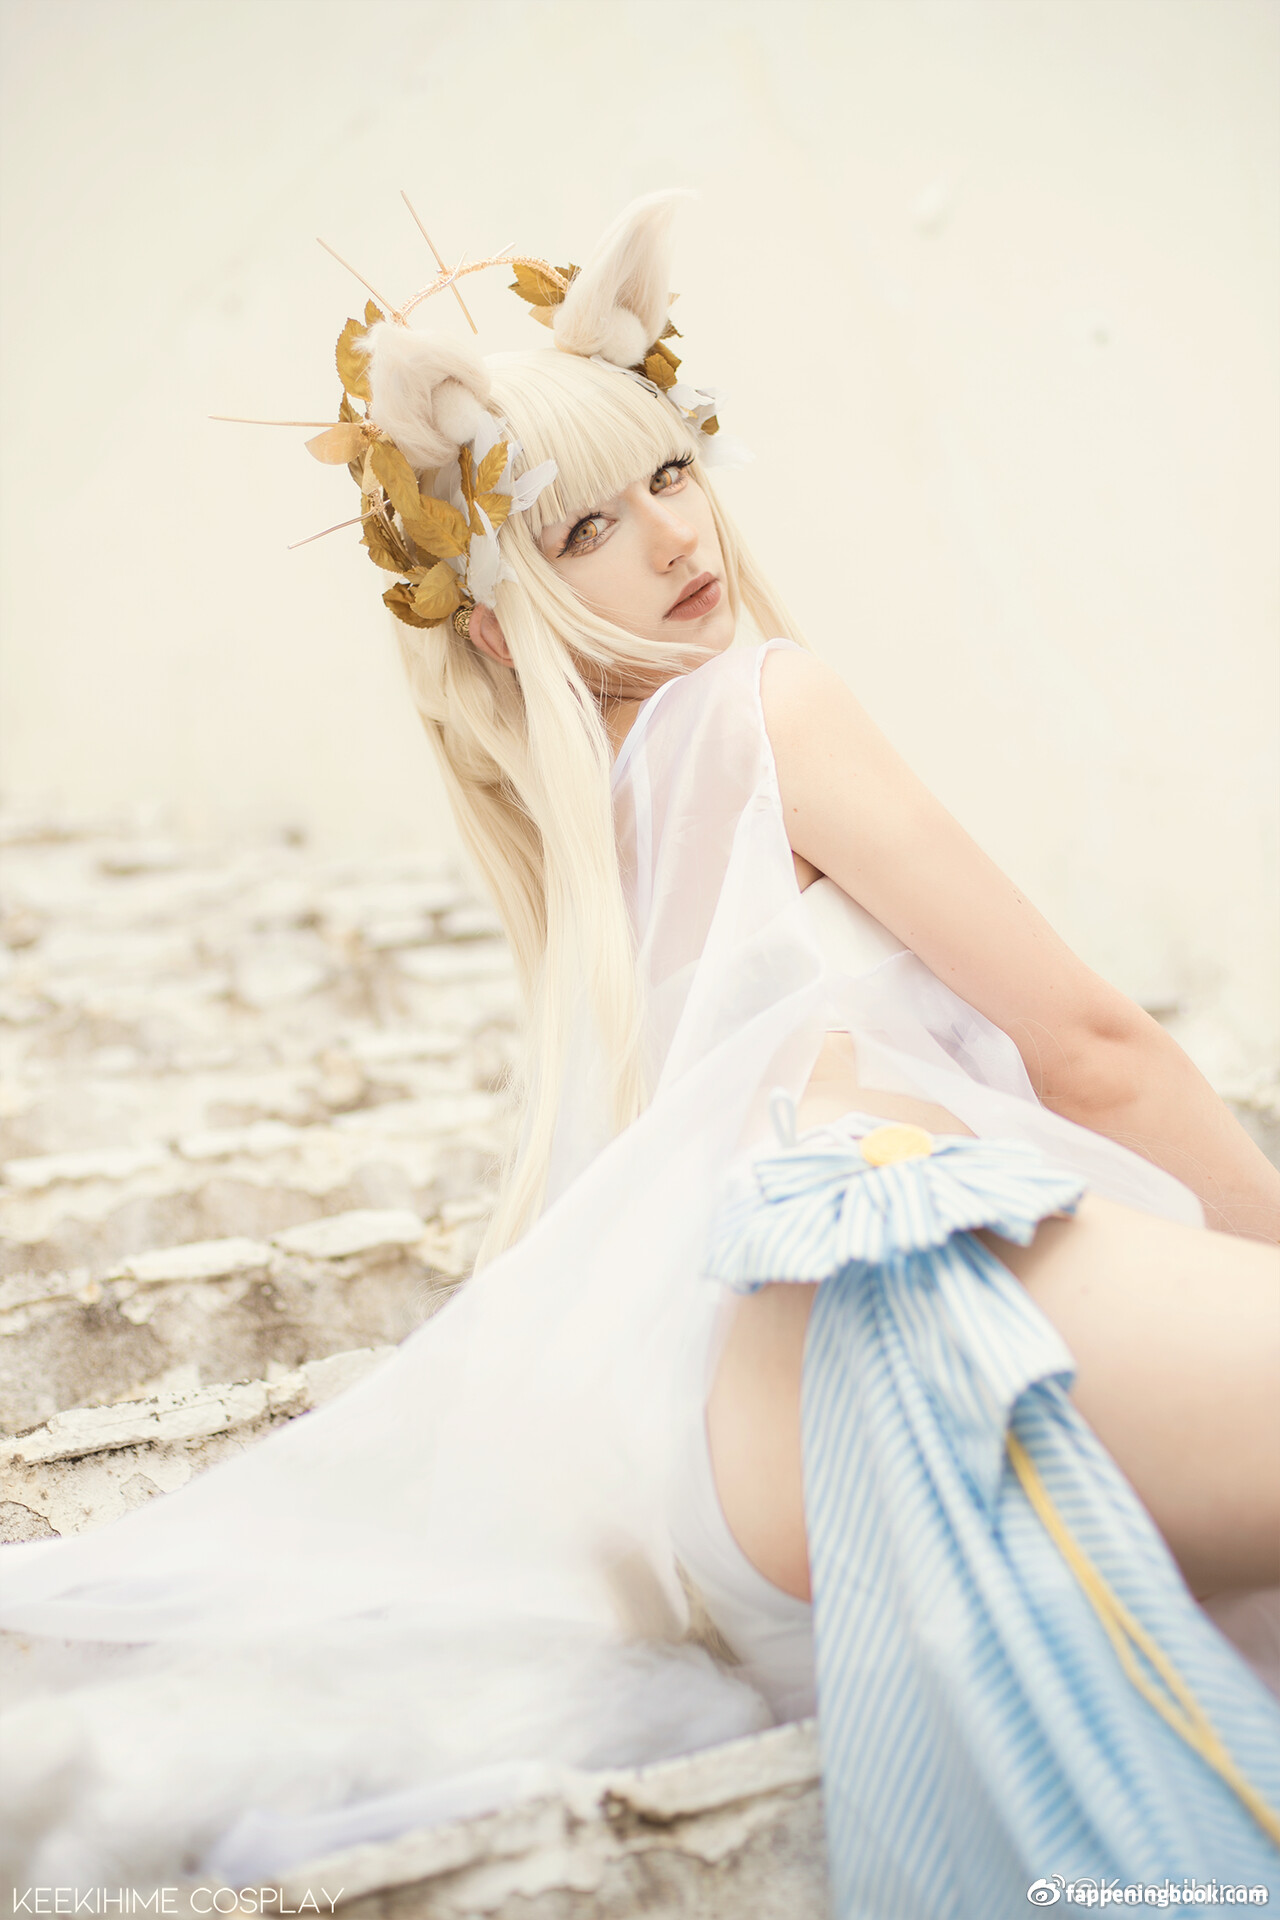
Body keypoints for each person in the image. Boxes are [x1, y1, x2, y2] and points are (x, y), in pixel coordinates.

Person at [1, 193, 1277, 1906]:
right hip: (886, 1303)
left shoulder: (599, 828)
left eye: (674, 471)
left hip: (731, 1466)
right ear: (497, 615)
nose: (675, 535)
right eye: (587, 523)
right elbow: (1097, 1045)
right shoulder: (762, 708)